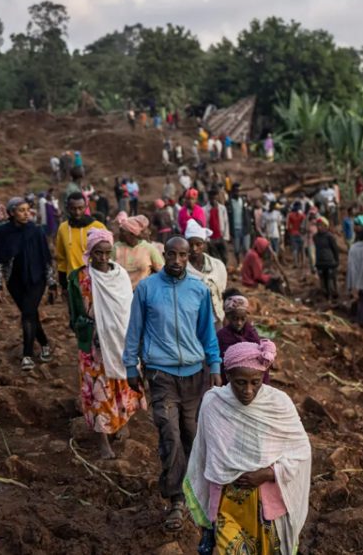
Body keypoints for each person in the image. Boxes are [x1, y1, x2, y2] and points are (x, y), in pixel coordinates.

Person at [122, 237, 222, 531]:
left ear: (188, 256)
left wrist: (214, 365)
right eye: (172, 255)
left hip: (194, 376)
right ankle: (176, 500)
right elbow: (134, 330)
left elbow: (207, 333)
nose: (177, 260)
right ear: (163, 255)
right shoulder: (147, 289)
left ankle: (197, 491)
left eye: (183, 255)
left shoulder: (198, 290)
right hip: (160, 375)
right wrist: (131, 365)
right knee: (170, 434)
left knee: (192, 435)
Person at [184, 340, 311, 555]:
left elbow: (300, 451)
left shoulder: (278, 404)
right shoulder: (213, 403)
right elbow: (205, 454)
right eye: (241, 382)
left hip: (265, 503)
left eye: (255, 382)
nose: (248, 390)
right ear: (229, 377)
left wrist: (268, 473)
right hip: (227, 500)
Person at [67, 229, 146, 459]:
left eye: (106, 253)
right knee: (98, 390)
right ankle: (102, 441)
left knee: (123, 384)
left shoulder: (120, 275)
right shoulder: (79, 278)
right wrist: (92, 330)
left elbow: (127, 309)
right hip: (94, 347)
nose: (102, 258)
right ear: (89, 253)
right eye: (97, 253)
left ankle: (121, 423)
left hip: (121, 342)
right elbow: (74, 314)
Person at [0, 197, 56, 370]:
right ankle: (44, 343)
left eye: (27, 210)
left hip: (36, 279)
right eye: (21, 210)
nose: (26, 213)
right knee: (30, 314)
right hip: (14, 281)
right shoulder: (4, 232)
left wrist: (51, 284)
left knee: (27, 314)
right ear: (11, 213)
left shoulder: (37, 231)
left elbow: (46, 259)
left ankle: (27, 355)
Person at [56, 193, 108, 294]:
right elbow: (61, 259)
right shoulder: (63, 228)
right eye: (73, 208)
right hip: (73, 281)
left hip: (96, 280)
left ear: (86, 207)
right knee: (75, 310)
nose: (77, 212)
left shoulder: (98, 227)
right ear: (67, 208)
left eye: (80, 208)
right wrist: (63, 284)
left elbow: (108, 254)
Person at [185, 219, 228, 328]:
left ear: (204, 244)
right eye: (190, 244)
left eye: (198, 244)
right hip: (191, 322)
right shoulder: (181, 268)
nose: (194, 248)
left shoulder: (217, 266)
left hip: (215, 319)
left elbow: (222, 292)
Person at [216, 293, 264, 383]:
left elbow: (260, 359)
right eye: (235, 319)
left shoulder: (252, 333)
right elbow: (220, 362)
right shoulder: (222, 336)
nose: (239, 323)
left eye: (243, 319)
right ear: (227, 317)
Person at [112, 215, 165, 289]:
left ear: (132, 234)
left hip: (143, 294)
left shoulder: (149, 249)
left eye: (123, 231)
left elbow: (162, 272)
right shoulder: (115, 248)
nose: (120, 233)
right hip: (120, 293)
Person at [314, 217, 339, 299]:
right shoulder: (315, 237)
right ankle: (326, 296)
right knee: (323, 281)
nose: (319, 227)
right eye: (318, 225)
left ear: (326, 226)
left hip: (330, 262)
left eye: (321, 225)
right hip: (320, 262)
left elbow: (335, 249)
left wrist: (336, 261)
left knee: (331, 280)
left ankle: (333, 295)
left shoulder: (330, 237)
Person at [227, 184, 252, 266]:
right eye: (236, 191)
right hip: (235, 229)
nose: (238, 193)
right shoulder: (229, 203)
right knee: (237, 250)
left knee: (246, 248)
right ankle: (239, 264)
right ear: (233, 192)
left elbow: (249, 213)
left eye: (239, 191)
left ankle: (247, 265)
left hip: (245, 228)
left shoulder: (244, 201)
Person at [204, 190, 230, 265]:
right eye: (212, 197)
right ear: (209, 198)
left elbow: (226, 222)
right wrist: (207, 239)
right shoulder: (205, 210)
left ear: (217, 197)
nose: (214, 199)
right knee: (215, 259)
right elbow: (205, 225)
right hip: (211, 238)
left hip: (221, 237)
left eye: (215, 197)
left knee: (225, 257)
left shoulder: (222, 208)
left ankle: (225, 271)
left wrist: (226, 237)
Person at [286, 202, 306, 269]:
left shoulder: (290, 215)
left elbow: (288, 226)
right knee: (302, 249)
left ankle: (296, 263)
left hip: (293, 233)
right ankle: (303, 263)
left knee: (295, 249)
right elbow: (305, 222)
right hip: (300, 234)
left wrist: (290, 232)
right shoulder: (302, 214)